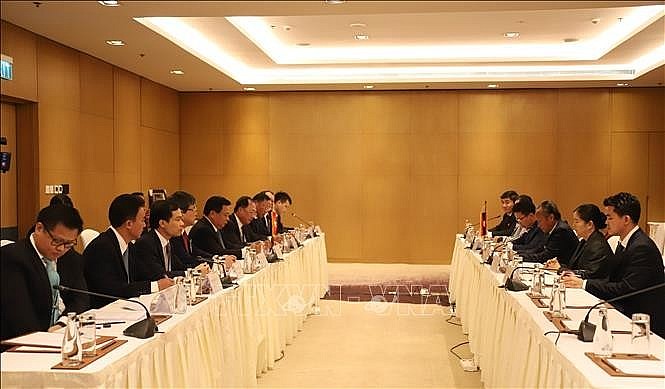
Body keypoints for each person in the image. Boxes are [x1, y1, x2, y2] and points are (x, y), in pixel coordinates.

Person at [562, 192, 665, 338]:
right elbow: (611, 280)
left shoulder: (642, 247)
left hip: (644, 325)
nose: (606, 222)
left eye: (610, 217)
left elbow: (626, 289)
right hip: (626, 313)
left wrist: (585, 284)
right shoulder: (625, 243)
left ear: (626, 219)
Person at [1, 204, 84, 341]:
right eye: (57, 241)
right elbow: (20, 318)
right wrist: (48, 338)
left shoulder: (70, 257)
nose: (61, 249)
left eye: (69, 244)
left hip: (59, 335)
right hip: (21, 344)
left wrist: (62, 323)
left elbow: (81, 298)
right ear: (39, 228)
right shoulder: (11, 258)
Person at [84, 194, 174, 308]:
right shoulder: (101, 248)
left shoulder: (129, 246)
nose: (145, 225)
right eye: (142, 220)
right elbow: (113, 290)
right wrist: (155, 286)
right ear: (129, 224)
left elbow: (142, 274)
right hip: (102, 312)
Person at [545, 204, 614, 279]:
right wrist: (559, 265)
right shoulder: (584, 241)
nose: (573, 225)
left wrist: (560, 269)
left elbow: (589, 274)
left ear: (590, 224)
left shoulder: (598, 246)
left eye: (577, 221)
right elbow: (574, 267)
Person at [133, 200, 191, 280]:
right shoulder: (146, 244)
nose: (182, 224)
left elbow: (179, 267)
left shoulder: (169, 241)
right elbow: (159, 275)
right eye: (178, 220)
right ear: (162, 223)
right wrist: (190, 273)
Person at [518, 200, 578, 265]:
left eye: (540, 221)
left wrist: (520, 257)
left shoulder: (561, 231)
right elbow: (538, 249)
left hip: (565, 269)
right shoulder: (551, 229)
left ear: (551, 218)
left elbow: (546, 256)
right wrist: (518, 254)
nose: (538, 225)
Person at [189, 195, 241, 261]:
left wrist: (246, 249)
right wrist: (243, 252)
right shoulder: (203, 229)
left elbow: (228, 245)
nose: (228, 219)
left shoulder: (215, 226)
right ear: (212, 214)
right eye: (225, 215)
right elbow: (218, 252)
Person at [168, 190, 210, 268]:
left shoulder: (184, 232)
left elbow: (194, 251)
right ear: (181, 212)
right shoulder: (173, 235)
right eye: (193, 208)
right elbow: (185, 259)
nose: (196, 210)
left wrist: (214, 259)